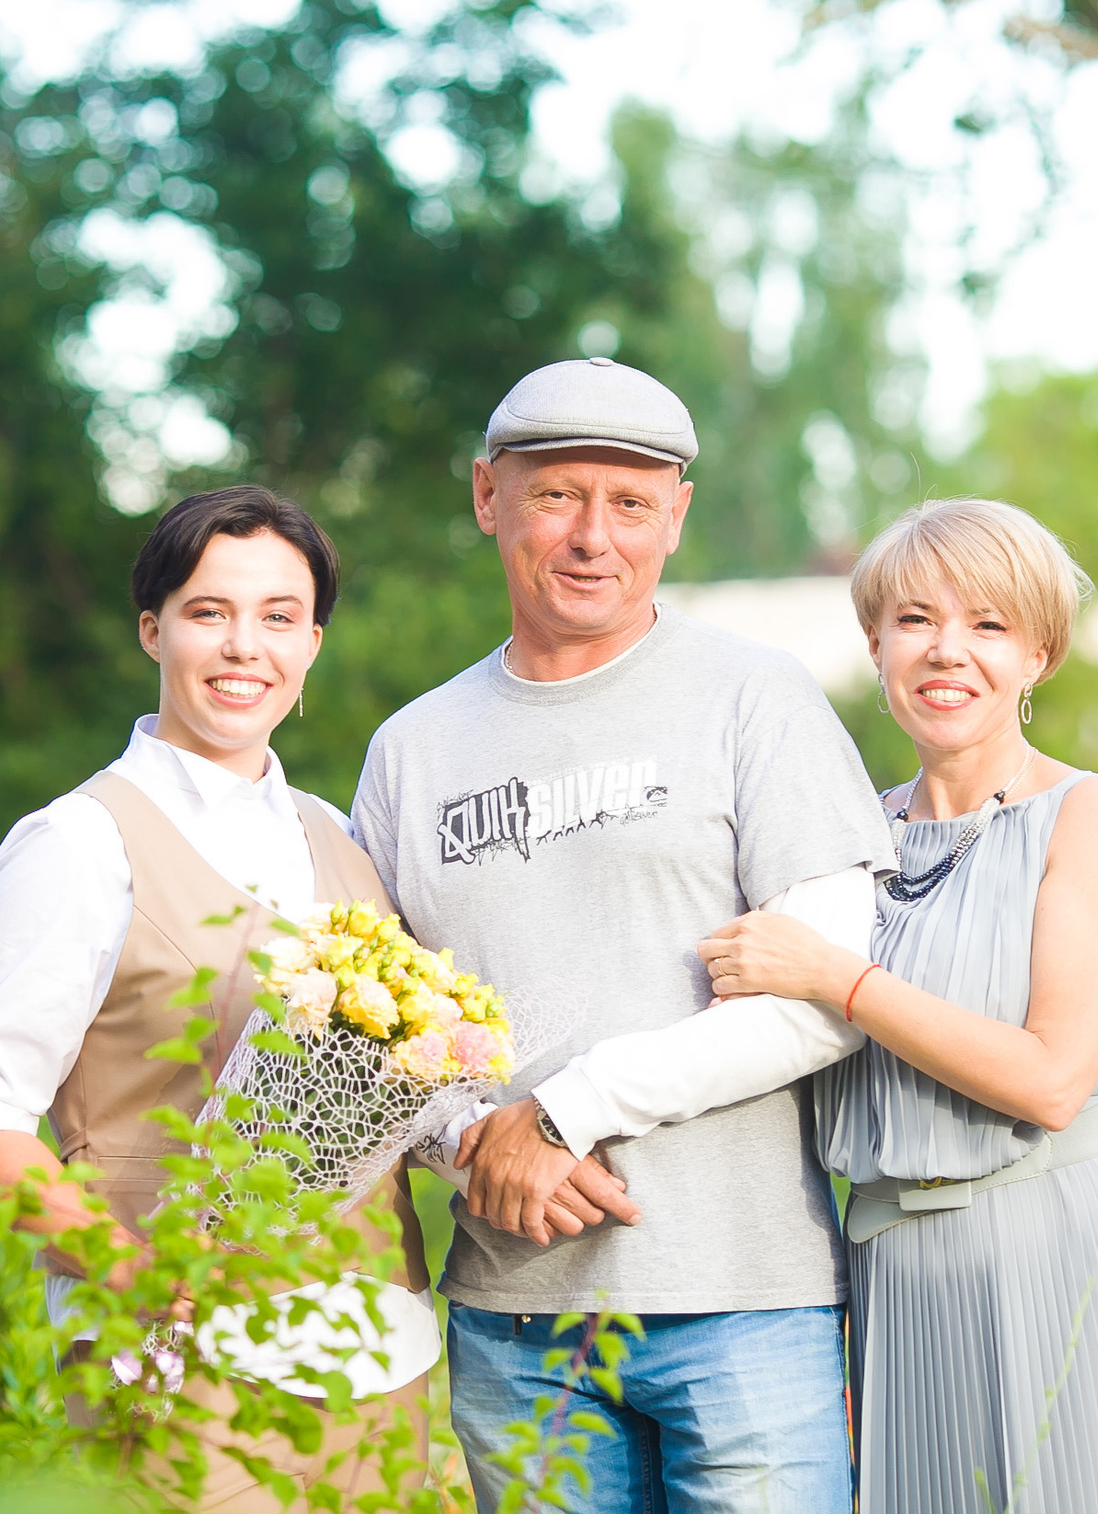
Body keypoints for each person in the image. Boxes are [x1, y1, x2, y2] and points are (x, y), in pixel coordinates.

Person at [350, 356, 895, 1513]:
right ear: (488, 496)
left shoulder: (757, 697)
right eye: (556, 496)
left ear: (675, 516)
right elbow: (374, 1031)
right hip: (513, 1316)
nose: (593, 535)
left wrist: (561, 1112)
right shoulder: (411, 749)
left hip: (743, 1301)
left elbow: (821, 997)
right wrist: (476, 1148)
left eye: (630, 503)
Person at [695, 496, 1098, 1513]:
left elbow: (1051, 1080)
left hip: (1076, 1242)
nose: (945, 651)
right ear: (873, 642)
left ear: (1038, 655)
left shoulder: (1089, 816)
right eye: (914, 620)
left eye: (988, 625)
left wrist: (840, 980)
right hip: (898, 1278)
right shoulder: (839, 838)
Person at [0, 485, 436, 1511]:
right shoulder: (78, 844)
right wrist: (130, 1271)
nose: (246, 648)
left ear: (314, 642)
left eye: (279, 618)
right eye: (209, 612)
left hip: (377, 1359)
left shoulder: (338, 837)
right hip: (176, 1375)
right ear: (152, 628)